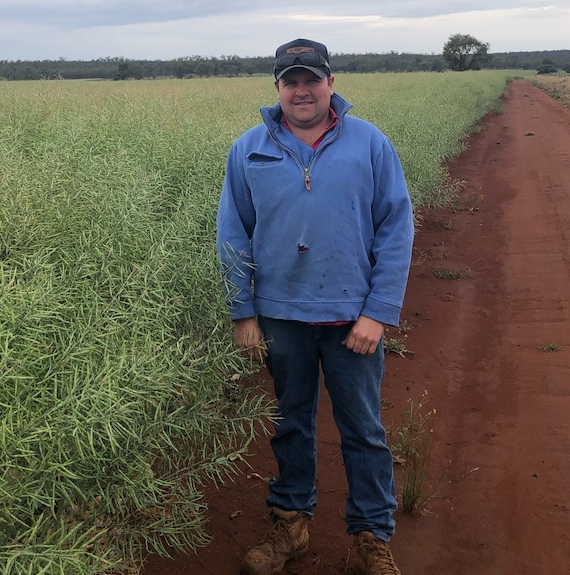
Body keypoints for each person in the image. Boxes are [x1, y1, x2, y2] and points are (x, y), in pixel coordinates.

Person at [216, 38, 414, 575]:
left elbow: (396, 229)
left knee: (364, 429)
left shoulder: (370, 144)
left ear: (331, 83)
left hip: (353, 317)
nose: (301, 90)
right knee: (291, 423)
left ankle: (372, 534)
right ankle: (291, 525)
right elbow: (233, 235)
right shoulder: (249, 148)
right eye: (290, 81)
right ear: (277, 88)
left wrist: (378, 312)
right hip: (281, 317)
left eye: (311, 79)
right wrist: (244, 313)